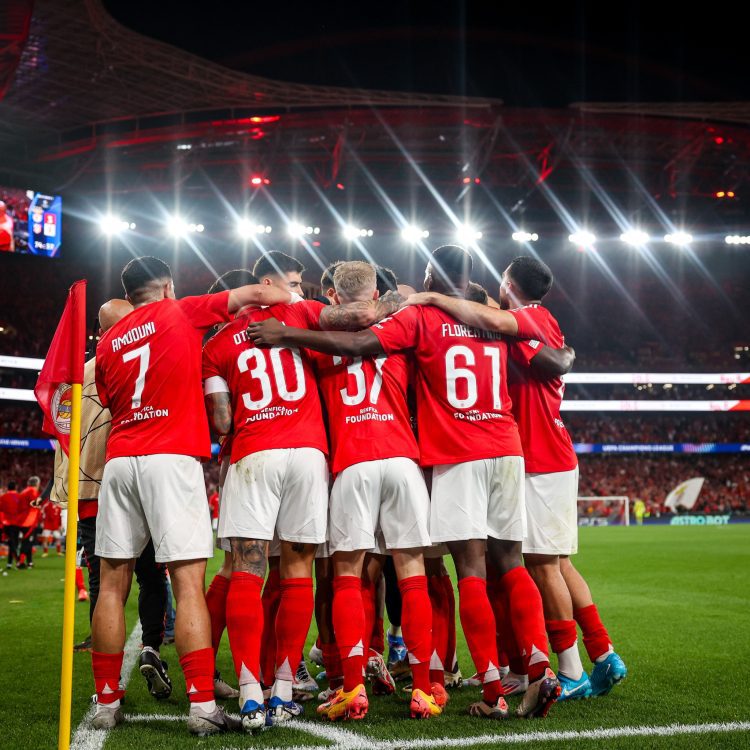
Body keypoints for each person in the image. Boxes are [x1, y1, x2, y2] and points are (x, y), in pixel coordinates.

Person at [247, 245, 560, 720]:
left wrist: (289, 333)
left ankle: (385, 685)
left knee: (379, 571)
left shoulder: (413, 323)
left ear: (431, 275)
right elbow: (553, 358)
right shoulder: (495, 318)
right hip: (484, 448)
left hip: (420, 456)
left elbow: (354, 342)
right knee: (475, 566)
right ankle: (482, 676)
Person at [90, 256, 288, 735]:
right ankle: (201, 706)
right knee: (187, 580)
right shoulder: (180, 310)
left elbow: (113, 401)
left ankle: (106, 702)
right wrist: (286, 293)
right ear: (167, 285)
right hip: (171, 458)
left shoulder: (110, 341)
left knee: (112, 585)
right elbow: (265, 296)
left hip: (121, 460)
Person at [299, 262, 440, 721]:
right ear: (377, 291)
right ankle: (423, 688)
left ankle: (352, 685)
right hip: (403, 459)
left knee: (347, 575)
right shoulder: (401, 334)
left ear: (334, 298)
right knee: (413, 571)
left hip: (352, 462)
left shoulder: (322, 343)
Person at [16, 476, 41, 568]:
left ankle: (29, 561)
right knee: (26, 541)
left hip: (21, 520)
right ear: (37, 484)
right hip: (29, 521)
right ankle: (21, 562)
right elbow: (35, 505)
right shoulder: (33, 491)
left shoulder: (24, 491)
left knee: (28, 542)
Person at [1, 481, 21, 569]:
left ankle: (11, 563)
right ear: (15, 487)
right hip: (17, 523)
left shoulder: (3, 497)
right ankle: (16, 560)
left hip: (6, 523)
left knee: (11, 543)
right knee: (14, 543)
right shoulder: (20, 497)